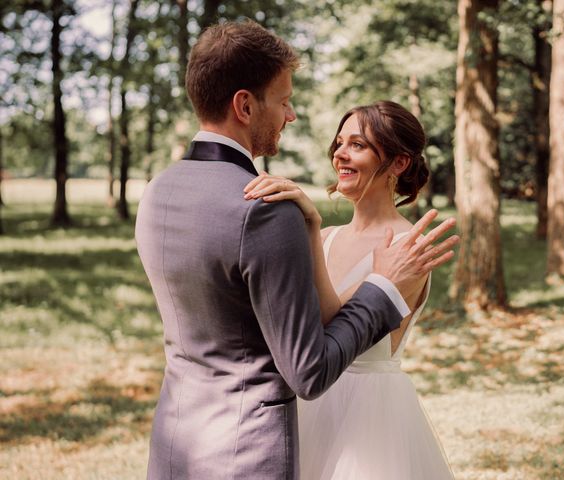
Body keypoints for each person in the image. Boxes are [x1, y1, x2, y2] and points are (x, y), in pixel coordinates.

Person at [135, 20, 458, 480]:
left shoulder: (158, 192)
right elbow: (310, 364)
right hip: (250, 445)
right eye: (284, 101)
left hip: (192, 438)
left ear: (398, 162)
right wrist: (376, 283)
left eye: (358, 145)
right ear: (244, 105)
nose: (291, 116)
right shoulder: (266, 211)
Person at [245, 100, 456, 478]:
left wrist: (309, 222)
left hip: (369, 420)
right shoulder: (326, 238)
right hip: (308, 401)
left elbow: (332, 321)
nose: (340, 154)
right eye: (340, 143)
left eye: (357, 145)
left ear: (399, 163)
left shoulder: (407, 250)